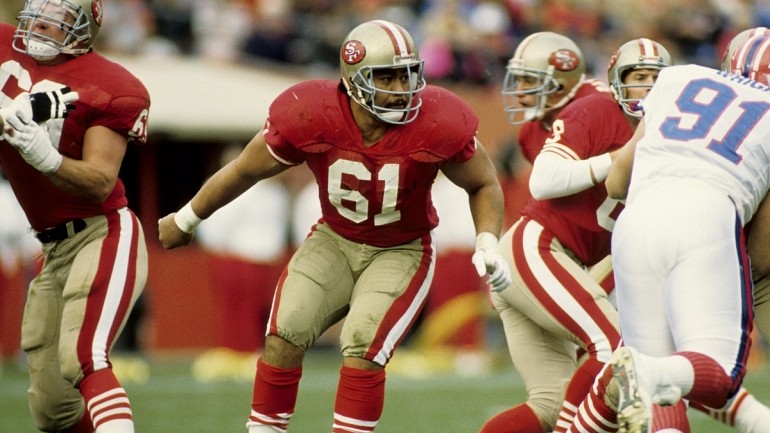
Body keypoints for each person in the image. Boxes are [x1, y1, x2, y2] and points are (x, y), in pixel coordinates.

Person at [158, 19, 510, 433]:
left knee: (362, 345)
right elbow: (243, 171)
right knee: (283, 334)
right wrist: (187, 217)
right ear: (355, 80)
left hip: (401, 249)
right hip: (335, 239)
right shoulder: (311, 114)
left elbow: (484, 182)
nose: (402, 88)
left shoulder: (437, 119)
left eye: (407, 74)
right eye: (388, 77)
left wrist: (487, 239)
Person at [566, 31, 770, 433]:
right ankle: (643, 369)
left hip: (637, 217)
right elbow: (762, 255)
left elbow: (616, 182)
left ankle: (636, 373)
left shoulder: (680, 79)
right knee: (717, 375)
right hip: (706, 215)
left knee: (658, 388)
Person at [479, 38, 671, 433]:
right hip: (538, 249)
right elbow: (545, 182)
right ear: (616, 81)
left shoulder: (673, 131)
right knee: (615, 345)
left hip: (565, 259)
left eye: (657, 79)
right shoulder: (597, 108)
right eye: (638, 78)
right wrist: (618, 158)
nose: (647, 89)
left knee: (550, 406)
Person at [0, 0, 151, 432]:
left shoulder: (111, 85)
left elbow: (101, 181)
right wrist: (8, 119)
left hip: (100, 232)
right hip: (50, 246)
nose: (43, 24)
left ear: (85, 28)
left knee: (85, 355)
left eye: (60, 17)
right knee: (52, 408)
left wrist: (45, 157)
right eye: (39, 11)